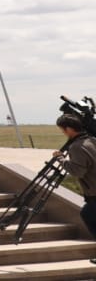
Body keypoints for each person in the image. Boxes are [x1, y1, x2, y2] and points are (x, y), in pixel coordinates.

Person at [54, 112, 96, 263]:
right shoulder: (92, 140)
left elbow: (77, 171)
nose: (63, 133)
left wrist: (61, 159)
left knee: (88, 215)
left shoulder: (77, 147)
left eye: (63, 130)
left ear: (70, 129)